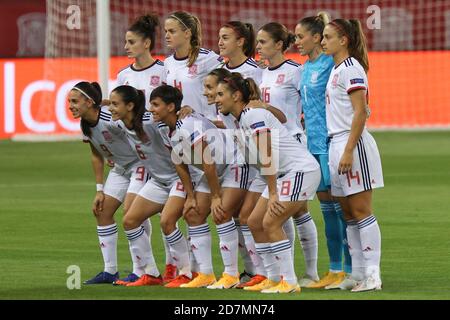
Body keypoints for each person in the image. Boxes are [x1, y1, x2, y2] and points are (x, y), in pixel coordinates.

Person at [215, 73, 321, 293]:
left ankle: (289, 282)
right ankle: (272, 278)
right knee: (254, 221)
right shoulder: (243, 119)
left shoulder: (253, 115)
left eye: (220, 94)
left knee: (271, 223)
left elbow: (267, 153)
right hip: (285, 174)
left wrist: (273, 193)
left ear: (236, 96)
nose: (216, 99)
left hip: (298, 170)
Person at [150, 84, 249, 289]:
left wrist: (215, 196)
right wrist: (191, 196)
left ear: (170, 107)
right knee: (193, 213)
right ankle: (205, 274)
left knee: (221, 213)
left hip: (234, 163)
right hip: (213, 170)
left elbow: (207, 162)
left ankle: (231, 274)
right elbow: (179, 162)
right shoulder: (163, 128)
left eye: (155, 104)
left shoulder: (188, 125)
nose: (151, 109)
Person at [202, 68, 287, 288]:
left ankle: (265, 274)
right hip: (255, 165)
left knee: (242, 216)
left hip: (264, 166)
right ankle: (260, 273)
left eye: (213, 89)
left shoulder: (248, 110)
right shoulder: (226, 112)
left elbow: (283, 119)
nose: (208, 93)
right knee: (249, 218)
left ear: (232, 93)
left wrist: (265, 106)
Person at [108, 85, 196, 288]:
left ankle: (185, 273)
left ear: (130, 106)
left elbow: (176, 125)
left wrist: (188, 112)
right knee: (130, 220)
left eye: (115, 104)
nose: (111, 108)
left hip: (178, 179)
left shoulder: (151, 122)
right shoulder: (121, 124)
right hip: (157, 181)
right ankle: (151, 273)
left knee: (167, 222)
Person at [322, 18, 384, 292]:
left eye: (327, 37)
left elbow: (361, 112)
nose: (323, 41)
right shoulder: (336, 70)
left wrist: (348, 150)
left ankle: (373, 274)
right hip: (336, 144)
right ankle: (357, 273)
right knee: (346, 212)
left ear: (343, 39)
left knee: (360, 210)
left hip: (352, 145)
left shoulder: (351, 68)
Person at [116, 13, 177, 283]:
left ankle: (174, 266)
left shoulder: (163, 71)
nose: (126, 47)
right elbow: (119, 112)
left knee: (169, 215)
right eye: (126, 42)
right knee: (132, 212)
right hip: (140, 156)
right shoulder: (123, 75)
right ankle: (143, 269)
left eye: (131, 42)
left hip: (162, 151)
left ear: (146, 43)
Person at [256, 22, 319, 282]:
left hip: (293, 146)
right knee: (282, 212)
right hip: (273, 148)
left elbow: (312, 101)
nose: (258, 46)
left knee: (299, 210)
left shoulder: (296, 71)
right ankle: (287, 272)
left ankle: (311, 272)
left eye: (263, 42)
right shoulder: (262, 73)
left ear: (279, 44)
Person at [68, 81, 147, 284]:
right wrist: (99, 189)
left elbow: (138, 131)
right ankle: (110, 271)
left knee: (132, 215)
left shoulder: (111, 118)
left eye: (75, 101)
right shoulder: (85, 124)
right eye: (69, 101)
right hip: (120, 169)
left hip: (140, 165)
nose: (70, 105)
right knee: (102, 211)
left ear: (89, 101)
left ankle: (143, 270)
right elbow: (96, 154)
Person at [295, 12, 352, 289]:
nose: (297, 42)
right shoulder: (304, 68)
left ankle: (352, 270)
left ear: (317, 37)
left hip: (332, 143)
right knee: (327, 209)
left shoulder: (332, 64)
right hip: (312, 145)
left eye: (300, 36)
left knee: (344, 210)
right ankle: (334, 269)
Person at [163, 11, 222, 121]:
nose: (166, 36)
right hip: (179, 129)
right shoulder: (167, 63)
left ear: (187, 33)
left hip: (205, 126)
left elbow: (232, 78)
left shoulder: (208, 58)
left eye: (172, 31)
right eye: (165, 31)